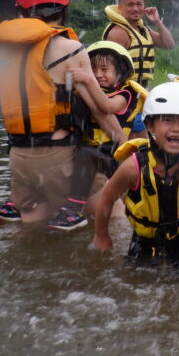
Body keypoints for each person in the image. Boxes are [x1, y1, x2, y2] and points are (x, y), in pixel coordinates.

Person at [0, 0, 124, 226]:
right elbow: (99, 110)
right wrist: (128, 147)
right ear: (64, 5)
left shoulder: (3, 51)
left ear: (20, 6)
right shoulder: (68, 49)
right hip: (59, 157)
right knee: (114, 214)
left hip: (18, 157)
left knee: (31, 226)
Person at [91, 82, 179, 278]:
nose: (176, 129)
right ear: (149, 124)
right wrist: (101, 235)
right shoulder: (132, 167)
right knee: (134, 278)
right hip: (145, 235)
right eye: (166, 120)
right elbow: (107, 199)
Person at [47, 40, 148, 231]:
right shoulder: (92, 90)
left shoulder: (126, 92)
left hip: (114, 154)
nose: (99, 75)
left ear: (120, 72)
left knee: (86, 154)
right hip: (94, 151)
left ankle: (73, 208)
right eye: (93, 70)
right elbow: (88, 109)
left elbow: (107, 107)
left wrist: (87, 80)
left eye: (105, 69)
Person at [102, 0, 176, 90]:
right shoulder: (118, 33)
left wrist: (157, 22)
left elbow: (169, 45)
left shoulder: (143, 30)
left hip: (140, 89)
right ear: (120, 8)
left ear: (144, 6)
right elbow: (110, 69)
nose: (135, 9)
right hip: (123, 91)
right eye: (130, 5)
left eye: (139, 4)